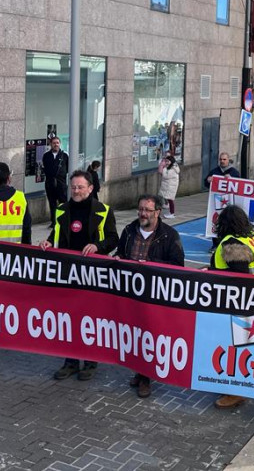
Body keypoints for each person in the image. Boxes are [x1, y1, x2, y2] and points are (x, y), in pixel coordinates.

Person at [40, 170, 118, 380]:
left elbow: (113, 239)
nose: (75, 190)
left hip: (92, 273)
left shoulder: (103, 210)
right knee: (68, 319)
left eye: (80, 187)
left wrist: (97, 246)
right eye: (73, 187)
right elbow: (55, 234)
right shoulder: (61, 210)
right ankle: (71, 361)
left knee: (90, 319)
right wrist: (48, 242)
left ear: (90, 188)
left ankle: (90, 361)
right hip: (67, 272)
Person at [116, 195, 185, 398]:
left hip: (154, 295)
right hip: (131, 293)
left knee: (149, 335)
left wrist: (151, 266)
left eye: (147, 210)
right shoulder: (129, 231)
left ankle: (146, 376)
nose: (143, 214)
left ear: (157, 213)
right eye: (140, 209)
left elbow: (177, 266)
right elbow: (120, 253)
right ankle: (139, 370)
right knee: (134, 333)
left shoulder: (170, 235)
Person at [211, 205, 254, 409]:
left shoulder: (231, 243)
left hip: (239, 304)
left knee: (235, 348)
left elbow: (240, 275)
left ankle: (235, 392)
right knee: (248, 348)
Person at [41, 136, 68, 227]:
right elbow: (45, 168)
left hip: (61, 184)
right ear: (51, 144)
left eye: (57, 143)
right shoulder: (46, 155)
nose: (56, 144)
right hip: (50, 183)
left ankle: (63, 221)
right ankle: (54, 222)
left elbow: (67, 169)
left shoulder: (64, 155)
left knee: (63, 203)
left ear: (60, 144)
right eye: (54, 143)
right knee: (52, 203)